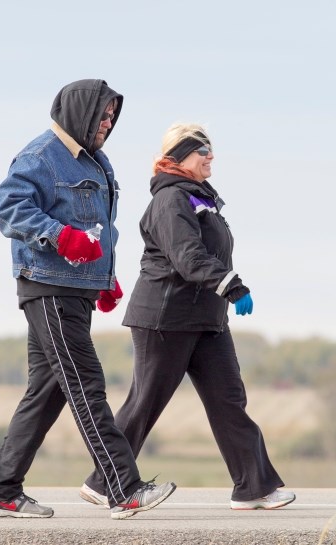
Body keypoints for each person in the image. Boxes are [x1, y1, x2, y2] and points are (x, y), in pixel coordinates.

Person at [0, 79, 176, 521]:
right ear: (79, 111)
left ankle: (2, 492)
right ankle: (123, 489)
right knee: (87, 385)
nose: (107, 124)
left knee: (45, 394)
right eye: (102, 115)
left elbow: (100, 227)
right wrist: (60, 236)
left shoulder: (96, 161)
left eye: (112, 117)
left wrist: (102, 279)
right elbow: (9, 207)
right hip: (48, 287)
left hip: (74, 290)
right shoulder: (39, 156)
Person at [80, 122, 295, 512]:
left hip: (205, 319)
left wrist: (222, 293)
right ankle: (105, 481)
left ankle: (254, 487)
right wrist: (232, 285)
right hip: (166, 319)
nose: (210, 156)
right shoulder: (170, 199)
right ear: (179, 158)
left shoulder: (201, 198)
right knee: (146, 401)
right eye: (202, 151)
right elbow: (187, 255)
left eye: (210, 149)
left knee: (229, 399)